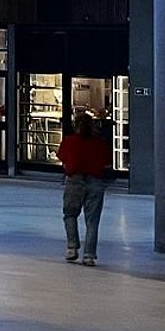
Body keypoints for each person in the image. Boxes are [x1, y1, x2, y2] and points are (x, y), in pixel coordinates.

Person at [57, 110, 111, 265]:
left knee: (70, 214)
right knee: (92, 220)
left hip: (74, 180)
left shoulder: (69, 142)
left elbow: (64, 161)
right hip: (95, 182)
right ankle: (89, 255)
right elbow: (106, 163)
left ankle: (72, 248)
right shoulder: (99, 144)